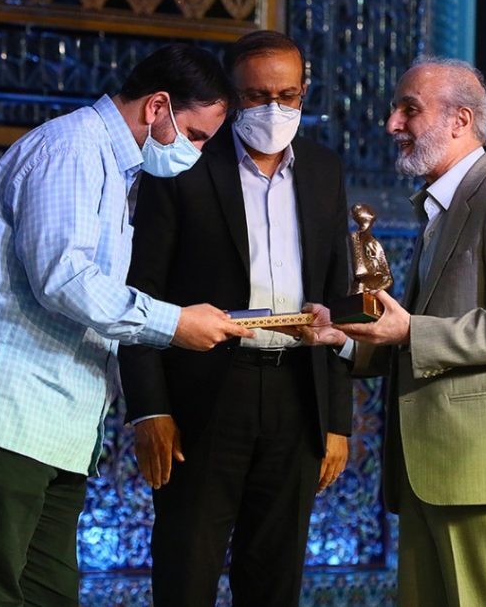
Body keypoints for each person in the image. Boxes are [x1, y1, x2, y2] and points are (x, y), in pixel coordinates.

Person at [0, 44, 254, 607]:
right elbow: (63, 278)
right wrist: (173, 324)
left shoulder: (116, 167)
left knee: (50, 594)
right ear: (157, 106)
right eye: (194, 135)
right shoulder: (71, 149)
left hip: (50, 425)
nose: (195, 153)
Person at [300, 57, 486, 607]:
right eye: (395, 109)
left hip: (480, 468)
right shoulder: (440, 209)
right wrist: (342, 338)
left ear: (459, 120)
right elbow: (416, 334)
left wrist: (409, 332)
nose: (392, 124)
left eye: (409, 110)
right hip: (430, 468)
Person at [117, 31, 353, 607]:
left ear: (304, 93)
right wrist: (150, 408)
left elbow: (337, 297)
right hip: (204, 399)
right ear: (231, 94)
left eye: (287, 96)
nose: (274, 109)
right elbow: (140, 291)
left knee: (274, 582)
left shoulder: (324, 170)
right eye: (256, 96)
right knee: (186, 575)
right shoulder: (185, 161)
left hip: (297, 396)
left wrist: (337, 420)